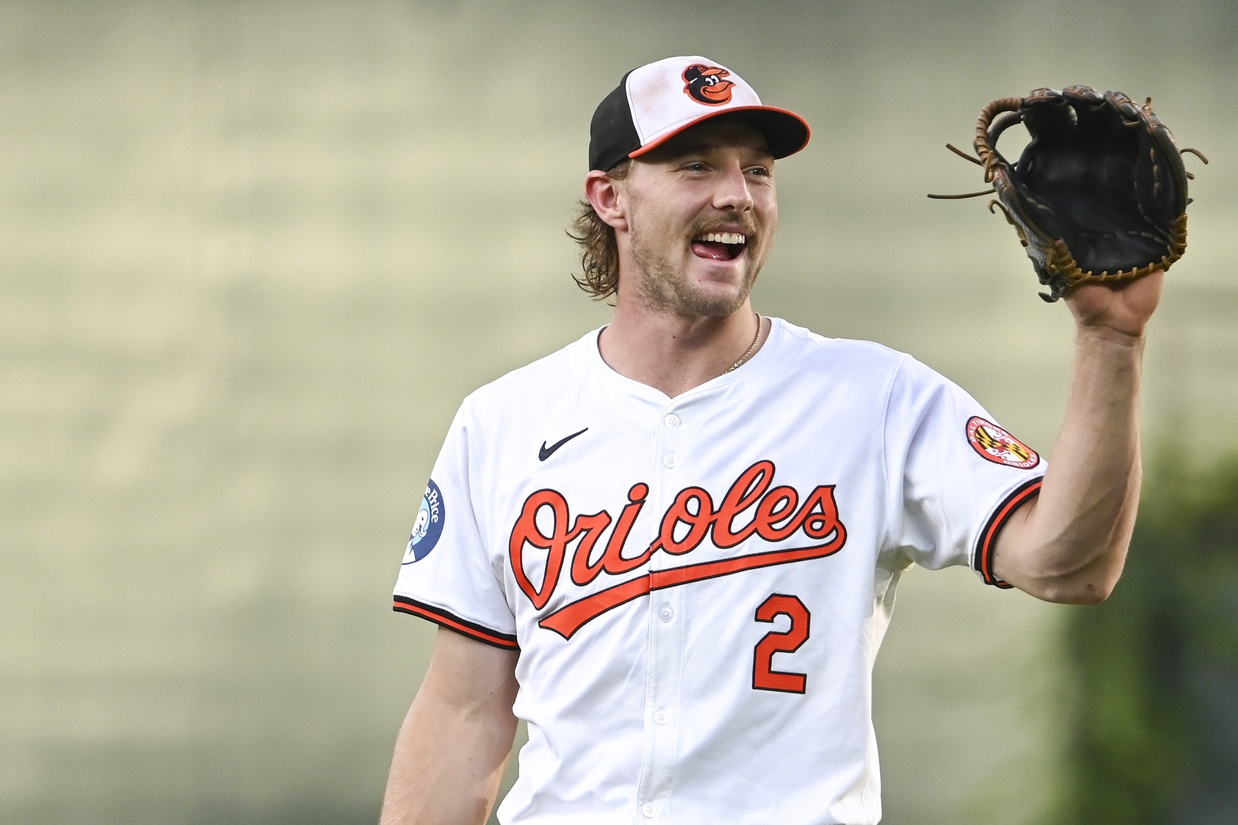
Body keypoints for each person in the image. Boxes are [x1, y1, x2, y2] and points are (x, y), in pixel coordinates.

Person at [380, 55, 1158, 825]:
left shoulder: (875, 398)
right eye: (695, 166)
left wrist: (1110, 340)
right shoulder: (504, 421)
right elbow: (463, 711)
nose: (736, 196)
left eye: (758, 172)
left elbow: (1071, 563)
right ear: (609, 197)